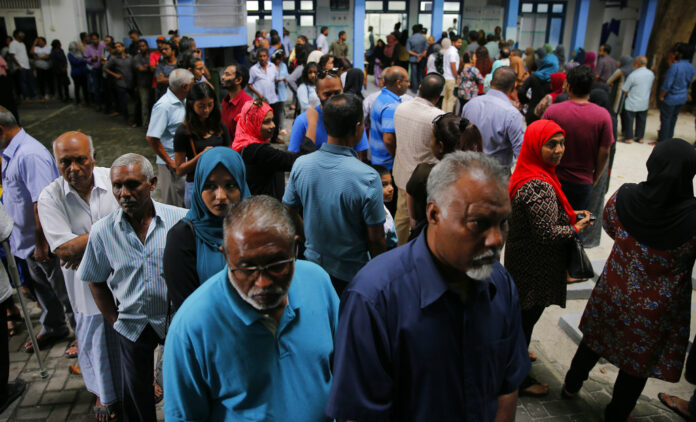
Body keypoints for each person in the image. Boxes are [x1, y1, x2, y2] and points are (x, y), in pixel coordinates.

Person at [327, 151, 530, 421]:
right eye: (479, 223)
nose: (495, 240)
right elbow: (361, 412)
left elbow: (507, 385)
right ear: (434, 213)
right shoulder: (374, 299)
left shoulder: (500, 283)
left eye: (503, 223)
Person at [163, 195, 338, 420]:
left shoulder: (317, 283)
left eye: (276, 265)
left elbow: (345, 370)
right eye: (246, 268)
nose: (263, 283)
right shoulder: (191, 328)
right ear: (225, 256)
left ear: (295, 248)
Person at [563, 138, 696, 421]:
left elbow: (610, 226)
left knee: (592, 343)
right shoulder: (693, 218)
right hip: (654, 313)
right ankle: (617, 413)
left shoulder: (624, 196)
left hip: (613, 292)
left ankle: (571, 386)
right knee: (636, 367)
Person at [77, 153, 187, 422]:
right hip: (131, 324)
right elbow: (96, 280)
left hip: (175, 321)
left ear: (151, 184)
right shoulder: (102, 231)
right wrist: (114, 320)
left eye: (132, 185)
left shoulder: (180, 220)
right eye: (117, 186)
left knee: (182, 384)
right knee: (137, 396)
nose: (123, 193)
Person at [38, 132, 122, 421]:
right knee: (95, 340)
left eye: (80, 159)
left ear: (94, 157)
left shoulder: (115, 178)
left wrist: (83, 242)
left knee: (131, 335)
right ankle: (103, 392)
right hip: (84, 288)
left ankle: (139, 382)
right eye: (65, 162)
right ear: (55, 163)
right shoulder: (50, 196)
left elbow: (137, 220)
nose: (73, 168)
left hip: (125, 280)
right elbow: (63, 249)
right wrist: (113, 229)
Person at [505, 120, 593, 396]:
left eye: (561, 143)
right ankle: (517, 379)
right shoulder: (538, 186)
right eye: (551, 144)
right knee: (525, 319)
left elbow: (542, 218)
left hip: (523, 260)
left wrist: (568, 216)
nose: (559, 150)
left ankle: (516, 358)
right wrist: (575, 228)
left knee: (521, 318)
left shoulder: (531, 172)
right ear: (535, 145)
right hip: (535, 266)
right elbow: (546, 233)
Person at [283, 94, 386, 295]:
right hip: (352, 275)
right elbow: (376, 239)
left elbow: (288, 209)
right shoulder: (368, 177)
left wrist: (307, 237)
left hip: (312, 266)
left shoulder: (301, 164)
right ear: (358, 128)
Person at [0, 107, 74, 353]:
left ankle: (80, 334)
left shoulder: (29, 155)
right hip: (25, 241)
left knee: (65, 293)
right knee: (42, 290)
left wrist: (42, 243)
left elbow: (40, 203)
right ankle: (54, 327)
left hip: (40, 242)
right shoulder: (11, 153)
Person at [164, 148, 249, 313]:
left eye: (230, 185)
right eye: (210, 186)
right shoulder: (182, 237)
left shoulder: (256, 229)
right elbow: (187, 308)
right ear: (198, 186)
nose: (220, 196)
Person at [542, 65, 614, 209]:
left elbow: (540, 142)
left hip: (553, 177)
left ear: (568, 86)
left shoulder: (553, 111)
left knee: (549, 222)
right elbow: (605, 152)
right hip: (583, 182)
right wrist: (595, 177)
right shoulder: (603, 116)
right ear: (590, 88)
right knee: (576, 224)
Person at [405, 114, 483, 239]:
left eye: (432, 138)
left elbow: (413, 215)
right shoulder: (479, 177)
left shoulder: (424, 174)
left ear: (440, 146)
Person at [392, 73, 445, 244]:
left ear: (420, 87)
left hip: (402, 174)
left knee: (401, 219)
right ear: (438, 96)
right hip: (424, 181)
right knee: (423, 221)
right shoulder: (437, 117)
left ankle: (397, 251)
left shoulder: (400, 108)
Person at [288, 69, 369, 157]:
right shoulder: (302, 121)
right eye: (327, 94)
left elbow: (359, 155)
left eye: (337, 92)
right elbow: (293, 158)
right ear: (317, 92)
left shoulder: (354, 117)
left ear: (343, 89)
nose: (333, 98)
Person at [174, 82, 231, 207]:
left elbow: (230, 156)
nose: (206, 110)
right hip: (196, 183)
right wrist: (200, 157)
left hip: (220, 183)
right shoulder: (183, 132)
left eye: (210, 105)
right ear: (191, 104)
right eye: (201, 106)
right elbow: (179, 170)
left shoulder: (220, 127)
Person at [146, 68, 194, 207]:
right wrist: (169, 161)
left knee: (185, 202)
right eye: (191, 84)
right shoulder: (164, 106)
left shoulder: (184, 101)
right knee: (173, 203)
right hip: (170, 164)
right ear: (184, 86)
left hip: (185, 161)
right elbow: (152, 137)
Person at [462, 66, 523, 172]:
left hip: (469, 170)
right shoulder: (512, 114)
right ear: (513, 88)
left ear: (490, 83)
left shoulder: (470, 105)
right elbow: (521, 152)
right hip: (497, 176)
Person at [233, 99, 297, 199]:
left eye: (272, 120)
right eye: (266, 122)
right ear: (252, 123)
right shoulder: (258, 151)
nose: (273, 125)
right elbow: (291, 161)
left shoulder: (243, 142)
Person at [370, 66, 409, 169]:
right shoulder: (391, 106)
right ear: (399, 83)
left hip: (378, 158)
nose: (409, 84)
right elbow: (388, 139)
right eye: (407, 81)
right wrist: (397, 157)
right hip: (387, 163)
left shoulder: (382, 97)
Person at [658, 42, 695, 143]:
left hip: (671, 97)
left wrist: (661, 96)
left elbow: (667, 84)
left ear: (680, 54)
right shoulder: (691, 67)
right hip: (681, 97)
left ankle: (663, 140)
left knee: (665, 119)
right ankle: (669, 138)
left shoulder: (675, 67)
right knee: (673, 119)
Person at [248, 49, 281, 143]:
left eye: (264, 56)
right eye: (260, 56)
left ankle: (274, 138)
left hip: (273, 98)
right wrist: (259, 94)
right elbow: (249, 84)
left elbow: (275, 80)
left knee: (275, 119)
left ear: (268, 57)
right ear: (257, 58)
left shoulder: (273, 66)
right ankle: (261, 139)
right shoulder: (253, 69)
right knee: (261, 120)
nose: (262, 58)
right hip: (260, 100)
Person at [620, 56, 653, 143]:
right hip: (644, 101)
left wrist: (629, 93)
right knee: (641, 120)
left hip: (632, 100)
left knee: (629, 119)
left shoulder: (633, 75)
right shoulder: (651, 74)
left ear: (637, 64)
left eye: (634, 63)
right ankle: (640, 137)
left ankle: (628, 137)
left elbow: (625, 89)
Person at [103, 41, 134, 125]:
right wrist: (115, 75)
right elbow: (105, 68)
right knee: (123, 102)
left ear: (123, 47)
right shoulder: (114, 59)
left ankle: (135, 117)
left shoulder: (129, 57)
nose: (118, 48)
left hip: (130, 82)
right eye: (116, 47)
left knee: (135, 100)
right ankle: (127, 119)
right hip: (121, 83)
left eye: (119, 46)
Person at [220, 63, 252, 140]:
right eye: (224, 74)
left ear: (238, 80)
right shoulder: (225, 101)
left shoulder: (248, 104)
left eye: (227, 74)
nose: (223, 77)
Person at [371, 165, 398, 250]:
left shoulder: (382, 205)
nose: (391, 188)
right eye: (384, 184)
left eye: (391, 183)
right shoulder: (374, 215)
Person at [8, 30, 35, 101]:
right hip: (20, 67)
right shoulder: (13, 44)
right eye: (21, 33)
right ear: (16, 35)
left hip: (27, 66)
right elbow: (12, 55)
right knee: (23, 83)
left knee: (30, 81)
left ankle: (32, 96)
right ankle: (26, 96)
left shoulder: (22, 44)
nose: (23, 34)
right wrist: (18, 65)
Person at [133, 39, 153, 127]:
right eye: (140, 46)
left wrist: (149, 67)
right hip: (142, 84)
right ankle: (145, 123)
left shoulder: (151, 56)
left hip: (153, 83)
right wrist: (150, 67)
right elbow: (141, 68)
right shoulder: (137, 58)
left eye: (143, 46)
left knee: (152, 104)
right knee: (144, 104)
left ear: (147, 46)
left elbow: (154, 67)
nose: (142, 48)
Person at [84, 32, 105, 109]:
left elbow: (107, 56)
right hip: (94, 69)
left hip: (103, 69)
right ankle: (98, 104)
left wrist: (104, 59)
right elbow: (85, 59)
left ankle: (105, 103)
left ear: (98, 39)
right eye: (92, 39)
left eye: (95, 39)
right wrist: (91, 59)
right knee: (96, 87)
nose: (94, 41)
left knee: (104, 86)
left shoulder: (103, 46)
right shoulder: (88, 47)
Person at [272, 49, 289, 137]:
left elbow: (286, 76)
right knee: (274, 111)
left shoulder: (283, 66)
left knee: (281, 110)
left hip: (282, 90)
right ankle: (274, 128)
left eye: (281, 59)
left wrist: (285, 79)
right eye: (278, 58)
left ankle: (282, 127)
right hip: (273, 91)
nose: (279, 60)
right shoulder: (271, 66)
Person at [406, 24, 428, 90]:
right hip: (422, 59)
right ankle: (421, 88)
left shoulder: (410, 38)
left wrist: (417, 55)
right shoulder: (424, 38)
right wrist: (420, 56)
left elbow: (408, 50)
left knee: (414, 74)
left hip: (413, 58)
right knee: (421, 74)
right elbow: (426, 49)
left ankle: (414, 89)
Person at [442, 37, 461, 112]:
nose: (460, 44)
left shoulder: (448, 51)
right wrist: (457, 77)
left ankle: (443, 114)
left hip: (446, 77)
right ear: (453, 42)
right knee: (451, 99)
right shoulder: (453, 52)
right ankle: (448, 117)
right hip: (451, 78)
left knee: (445, 99)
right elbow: (453, 65)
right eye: (458, 42)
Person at [68, 42, 89, 106]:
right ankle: (78, 101)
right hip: (76, 73)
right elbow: (75, 62)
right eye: (76, 46)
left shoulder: (80, 52)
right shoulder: (70, 54)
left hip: (83, 72)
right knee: (77, 88)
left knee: (85, 88)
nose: (77, 47)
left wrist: (84, 60)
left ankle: (87, 101)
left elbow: (86, 59)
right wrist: (83, 60)